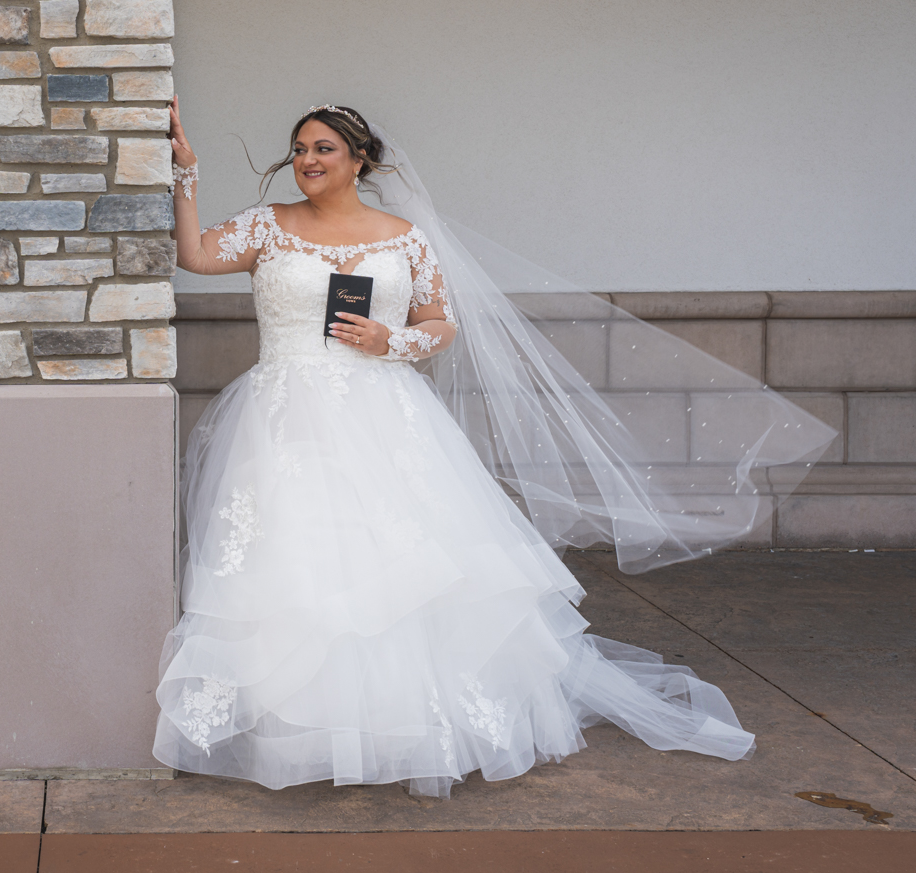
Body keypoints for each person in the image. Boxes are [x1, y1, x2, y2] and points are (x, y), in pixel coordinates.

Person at [152, 99, 833, 795]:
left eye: (323, 148)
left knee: (402, 569)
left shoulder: (404, 238)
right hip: (285, 421)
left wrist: (393, 342)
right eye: (299, 149)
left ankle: (401, 721)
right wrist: (187, 174)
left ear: (360, 159)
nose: (307, 161)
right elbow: (198, 255)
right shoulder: (271, 227)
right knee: (298, 564)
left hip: (385, 416)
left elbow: (442, 323)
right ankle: (298, 726)